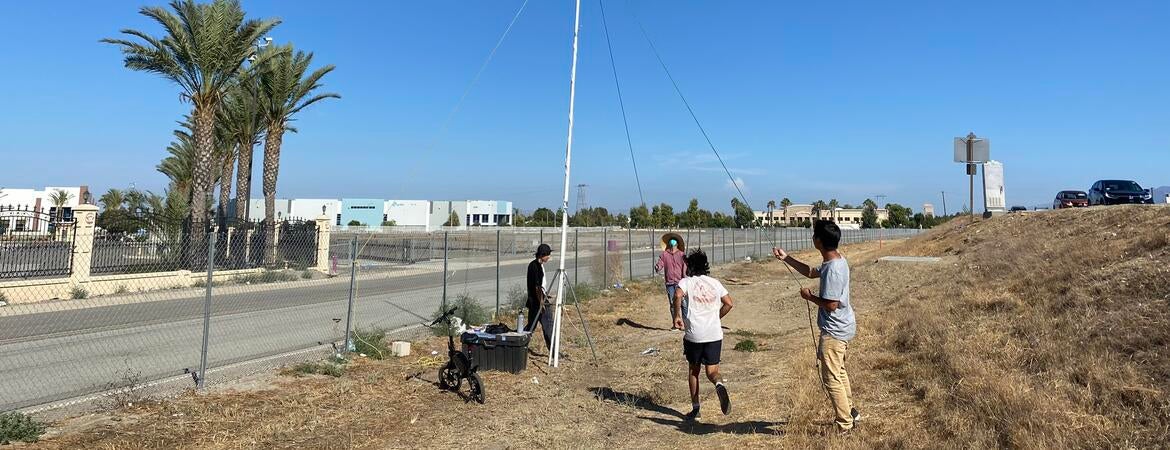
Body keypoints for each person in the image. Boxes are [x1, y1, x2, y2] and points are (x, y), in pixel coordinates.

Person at [773, 220, 860, 433]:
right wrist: (787, 258)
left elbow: (831, 305)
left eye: (814, 234)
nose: (812, 237)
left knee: (831, 379)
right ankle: (851, 412)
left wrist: (809, 297)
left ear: (819, 241)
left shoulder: (834, 271)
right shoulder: (836, 261)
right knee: (838, 371)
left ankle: (845, 425)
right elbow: (812, 272)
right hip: (842, 327)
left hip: (834, 331)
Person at [673, 249, 733, 421]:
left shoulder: (686, 282)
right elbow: (729, 303)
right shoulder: (715, 282)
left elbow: (677, 294)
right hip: (714, 334)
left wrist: (677, 315)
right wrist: (716, 317)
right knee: (713, 371)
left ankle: (696, 409)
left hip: (694, 335)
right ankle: (719, 384)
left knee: (694, 370)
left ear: (689, 267)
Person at [654, 233, 688, 330]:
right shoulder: (664, 254)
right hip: (669, 283)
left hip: (680, 282)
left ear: (677, 244)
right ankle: (675, 323)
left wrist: (685, 281)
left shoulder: (682, 255)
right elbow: (660, 264)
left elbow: (685, 269)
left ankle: (685, 323)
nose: (673, 243)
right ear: (668, 244)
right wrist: (657, 267)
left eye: (674, 241)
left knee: (683, 303)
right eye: (671, 241)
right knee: (673, 303)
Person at [525, 243, 555, 351]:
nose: (549, 257)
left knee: (530, 327)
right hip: (538, 302)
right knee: (548, 327)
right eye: (548, 255)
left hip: (535, 301)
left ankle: (520, 346)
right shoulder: (535, 266)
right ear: (542, 255)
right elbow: (537, 287)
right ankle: (554, 351)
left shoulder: (537, 265)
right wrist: (542, 302)